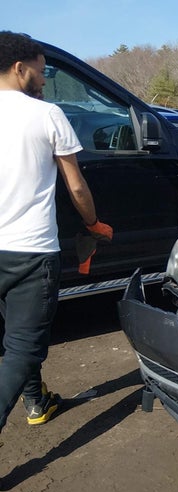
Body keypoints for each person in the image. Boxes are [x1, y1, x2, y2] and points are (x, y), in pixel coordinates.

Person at [0, 31, 113, 433]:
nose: (44, 80)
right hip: (30, 251)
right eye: (40, 71)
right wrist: (93, 224)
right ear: (19, 68)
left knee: (17, 338)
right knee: (22, 347)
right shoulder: (46, 114)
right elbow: (76, 185)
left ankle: (36, 402)